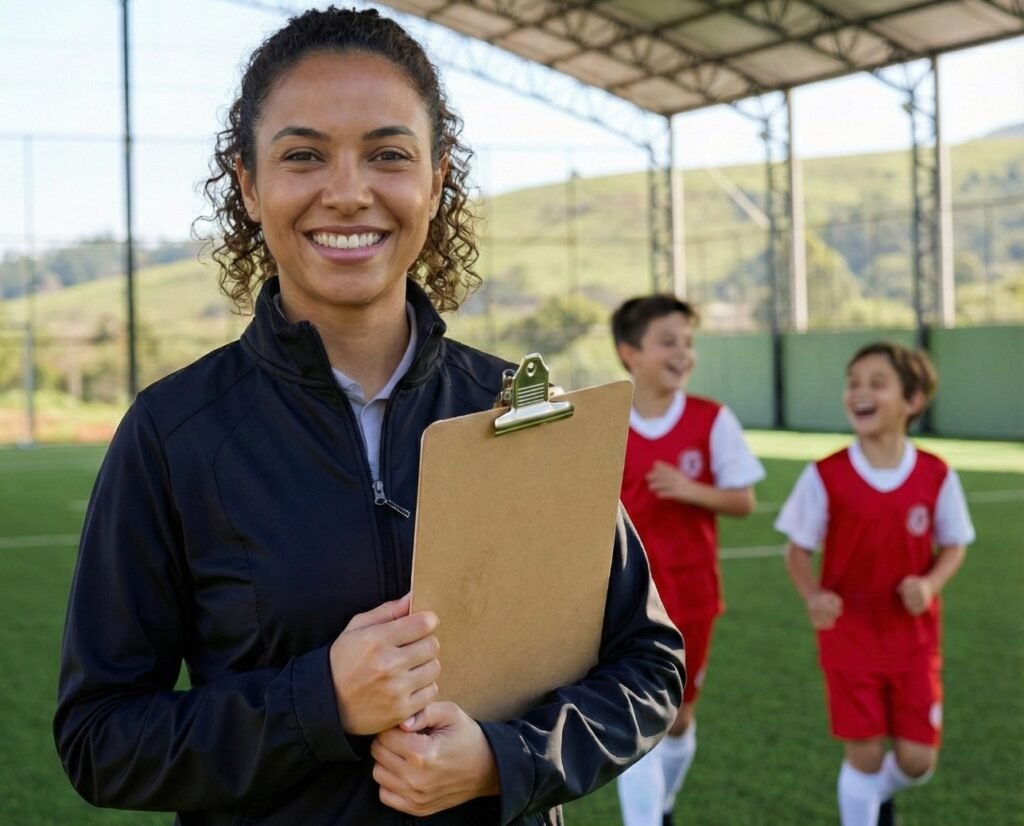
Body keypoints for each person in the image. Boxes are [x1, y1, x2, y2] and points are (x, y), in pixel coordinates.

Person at [52, 8, 684, 825]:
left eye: (388, 155)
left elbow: (649, 664)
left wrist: (506, 758)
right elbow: (100, 738)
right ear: (247, 184)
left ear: (436, 179)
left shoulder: (522, 410)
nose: (348, 192)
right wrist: (318, 703)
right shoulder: (174, 433)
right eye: (303, 155)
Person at [775, 342, 974, 826]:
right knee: (863, 755)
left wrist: (929, 585)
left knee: (916, 761)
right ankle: (863, 806)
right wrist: (813, 595)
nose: (859, 392)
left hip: (914, 641)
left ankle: (873, 796)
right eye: (853, 382)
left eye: (876, 383)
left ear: (913, 401)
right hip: (850, 639)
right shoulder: (826, 475)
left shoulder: (935, 474)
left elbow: (955, 544)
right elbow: (797, 550)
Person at [610, 295, 764, 826]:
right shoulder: (604, 421)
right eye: (668, 342)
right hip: (620, 599)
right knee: (634, 712)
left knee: (677, 722)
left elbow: (744, 500)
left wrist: (689, 489)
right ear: (629, 352)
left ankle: (665, 804)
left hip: (693, 596)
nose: (683, 353)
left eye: (688, 343)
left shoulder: (712, 419)